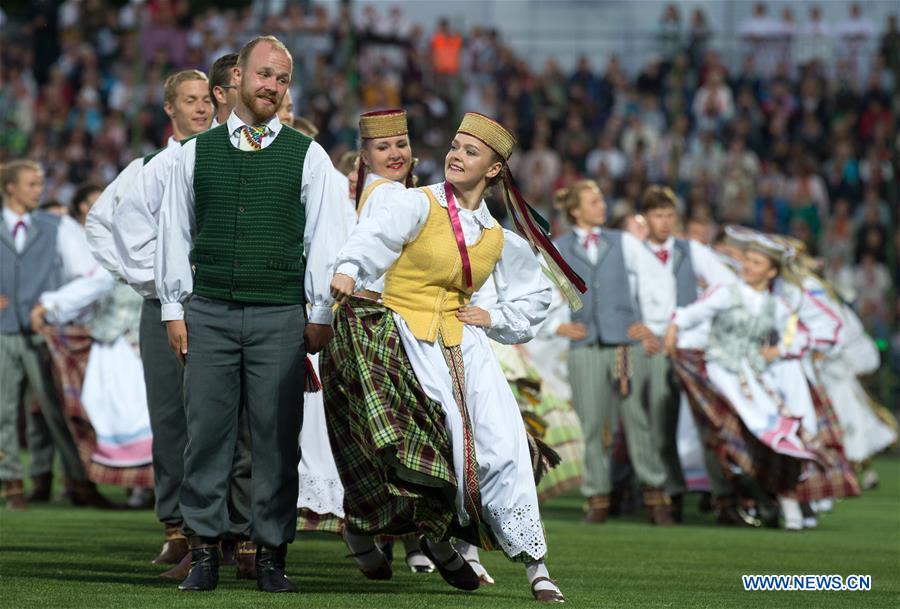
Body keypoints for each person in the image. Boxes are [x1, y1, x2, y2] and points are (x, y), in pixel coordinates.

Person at [329, 112, 585, 602]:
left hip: (465, 345)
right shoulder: (416, 203)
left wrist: (490, 316)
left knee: (503, 444)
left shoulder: (496, 235)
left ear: (493, 170)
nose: (455, 155)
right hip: (402, 337)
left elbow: (533, 297)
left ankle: (536, 565)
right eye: (454, 146)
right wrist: (348, 267)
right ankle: (417, 537)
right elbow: (373, 238)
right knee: (424, 449)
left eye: (470, 151)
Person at [156, 35, 352, 593]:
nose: (271, 86)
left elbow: (325, 241)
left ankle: (270, 555)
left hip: (280, 316)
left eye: (282, 79)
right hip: (209, 311)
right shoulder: (193, 153)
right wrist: (174, 307)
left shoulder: (308, 154)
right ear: (237, 77)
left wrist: (319, 313)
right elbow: (174, 232)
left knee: (274, 440)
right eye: (264, 74)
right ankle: (203, 553)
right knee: (207, 438)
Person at [88, 68, 216, 576]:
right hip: (159, 307)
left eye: (207, 98)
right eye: (190, 100)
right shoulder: (145, 167)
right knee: (168, 419)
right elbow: (99, 225)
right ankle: (176, 529)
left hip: (212, 305)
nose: (201, 108)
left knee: (215, 420)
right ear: (170, 108)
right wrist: (148, 280)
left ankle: (218, 527)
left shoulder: (223, 161)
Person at [664, 233, 856, 531]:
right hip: (720, 376)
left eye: (756, 263)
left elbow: (802, 335)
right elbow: (689, 315)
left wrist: (779, 349)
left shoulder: (775, 305)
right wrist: (673, 333)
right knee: (731, 438)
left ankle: (784, 504)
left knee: (775, 439)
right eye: (748, 261)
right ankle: (748, 500)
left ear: (771, 271)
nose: (748, 267)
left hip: (754, 380)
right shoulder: (726, 292)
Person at [552, 179, 675, 526]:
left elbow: (655, 282)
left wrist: (647, 324)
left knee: (637, 420)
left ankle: (655, 494)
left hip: (624, 343)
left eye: (602, 200)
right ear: (575, 210)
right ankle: (597, 497)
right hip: (584, 343)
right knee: (590, 423)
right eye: (594, 201)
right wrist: (555, 326)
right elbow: (544, 292)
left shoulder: (624, 242)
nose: (602, 206)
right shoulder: (558, 247)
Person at [0, 160, 111, 510]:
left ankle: (78, 480)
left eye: (40, 182)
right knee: (3, 411)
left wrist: (55, 305)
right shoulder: (55, 225)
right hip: (4, 331)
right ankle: (12, 483)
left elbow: (92, 274)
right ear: (10, 188)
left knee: (59, 411)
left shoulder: (57, 225)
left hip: (45, 332)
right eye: (32, 184)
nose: (40, 190)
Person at [639, 185, 737, 522]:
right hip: (653, 349)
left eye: (669, 215)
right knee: (660, 426)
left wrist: (689, 319)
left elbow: (725, 287)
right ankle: (674, 494)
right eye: (657, 215)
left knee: (706, 425)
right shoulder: (635, 252)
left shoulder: (691, 249)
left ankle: (724, 498)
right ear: (645, 218)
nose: (664, 222)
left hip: (691, 348)